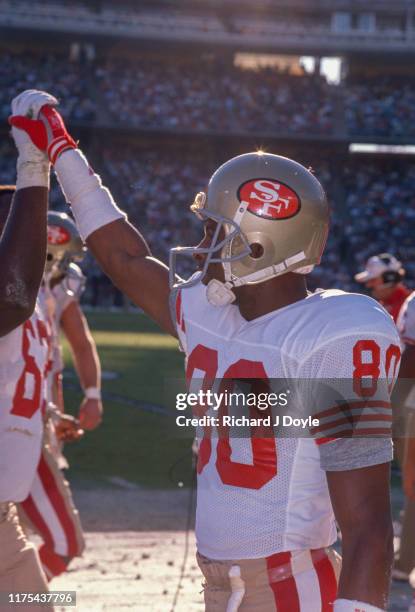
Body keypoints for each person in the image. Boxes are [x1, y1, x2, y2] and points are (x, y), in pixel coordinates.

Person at [11, 90, 402, 612]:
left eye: (215, 232)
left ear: (258, 245)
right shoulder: (211, 314)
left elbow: (368, 527)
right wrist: (61, 152)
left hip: (291, 589)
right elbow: (125, 258)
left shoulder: (332, 335)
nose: (200, 246)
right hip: (222, 588)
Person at [18, 211, 102, 580]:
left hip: (34, 414)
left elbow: (56, 362)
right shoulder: (19, 297)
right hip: (21, 429)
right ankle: (20, 600)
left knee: (14, 533)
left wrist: (78, 401)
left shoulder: (47, 294)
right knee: (63, 542)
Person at [0, 90, 53, 608]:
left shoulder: (40, 301)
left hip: (5, 525)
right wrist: (34, 169)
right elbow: (11, 298)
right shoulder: (15, 297)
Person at [356, 254, 415, 582]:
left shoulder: (405, 305)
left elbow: (408, 362)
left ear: (391, 278)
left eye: (374, 280)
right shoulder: (387, 307)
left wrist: (390, 409)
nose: (369, 285)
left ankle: (404, 559)